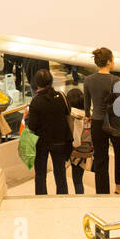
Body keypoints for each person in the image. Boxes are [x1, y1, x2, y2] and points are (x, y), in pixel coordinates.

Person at [86, 48, 120, 195]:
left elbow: (87, 107)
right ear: (109, 61)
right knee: (119, 154)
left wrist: (89, 115)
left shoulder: (88, 80)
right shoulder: (116, 80)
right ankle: (118, 188)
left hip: (97, 123)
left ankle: (102, 192)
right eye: (113, 59)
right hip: (114, 122)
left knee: (100, 158)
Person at [25, 68, 73, 196]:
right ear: (51, 81)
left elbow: (32, 126)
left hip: (41, 143)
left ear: (37, 83)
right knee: (60, 174)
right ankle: (62, 198)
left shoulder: (36, 101)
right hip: (60, 141)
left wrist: (26, 117)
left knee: (40, 174)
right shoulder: (61, 96)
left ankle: (41, 200)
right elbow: (67, 114)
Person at [66, 87, 92, 195]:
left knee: (76, 181)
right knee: (79, 179)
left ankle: (79, 198)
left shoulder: (73, 116)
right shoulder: (89, 113)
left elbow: (75, 138)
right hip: (86, 151)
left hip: (75, 152)